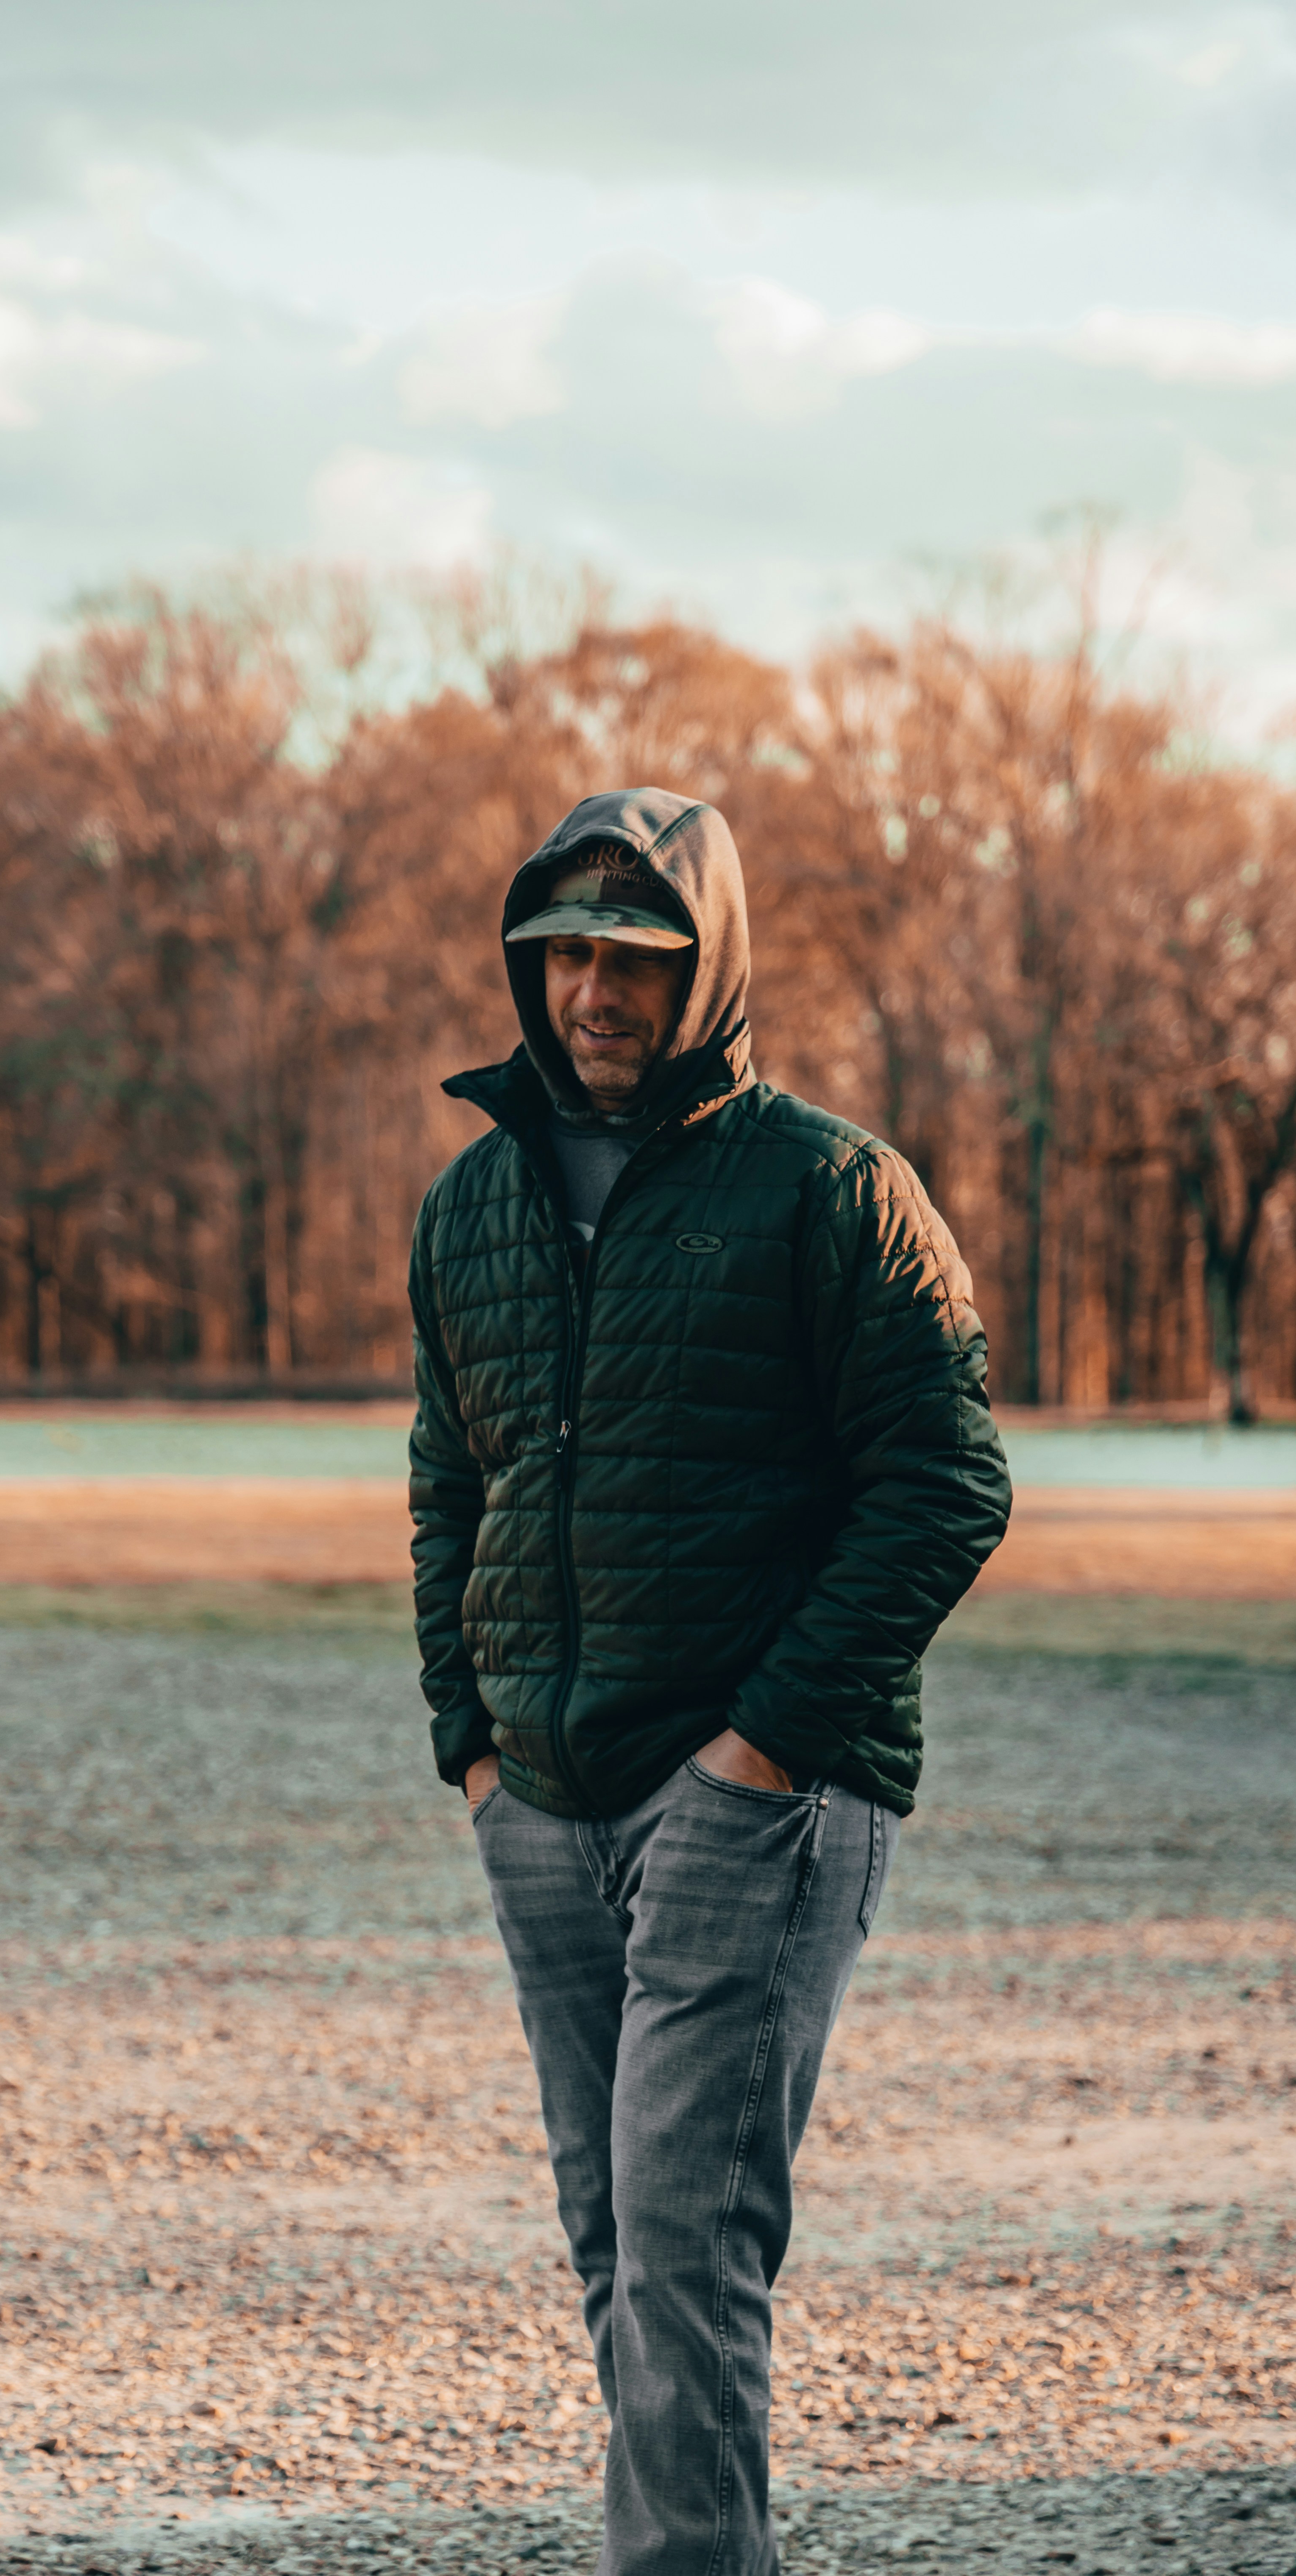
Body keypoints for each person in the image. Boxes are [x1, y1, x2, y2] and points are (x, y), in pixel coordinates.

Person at [407, 788, 1012, 2576]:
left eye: (638, 956)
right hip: (540, 1803)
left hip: (753, 1801)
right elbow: (454, 1478)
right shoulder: (473, 1200)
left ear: (708, 967)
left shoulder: (833, 1189)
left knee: (684, 2240)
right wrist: (470, 1743)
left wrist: (759, 1752)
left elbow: (944, 1486)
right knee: (615, 2236)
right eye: (565, 951)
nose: (595, 989)